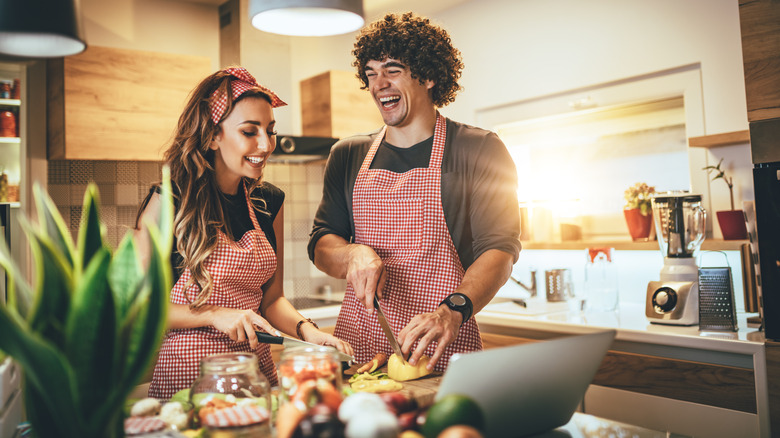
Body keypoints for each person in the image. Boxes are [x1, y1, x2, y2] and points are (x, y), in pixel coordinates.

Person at [308, 13, 521, 372]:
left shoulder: (478, 149)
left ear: (429, 75)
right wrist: (353, 254)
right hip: (360, 353)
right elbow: (321, 244)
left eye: (392, 70)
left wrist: (452, 311)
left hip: (442, 348)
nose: (379, 84)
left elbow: (500, 249)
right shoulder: (347, 154)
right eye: (371, 73)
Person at [136, 67, 353, 399]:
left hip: (255, 373)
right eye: (249, 131)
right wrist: (213, 315)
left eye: (270, 130)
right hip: (190, 380)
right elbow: (138, 307)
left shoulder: (269, 202)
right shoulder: (169, 202)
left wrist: (308, 331)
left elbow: (272, 300)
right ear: (212, 136)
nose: (265, 145)